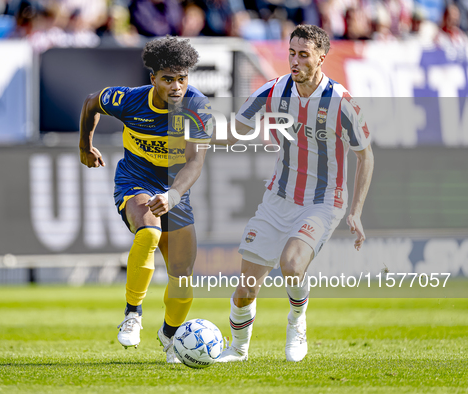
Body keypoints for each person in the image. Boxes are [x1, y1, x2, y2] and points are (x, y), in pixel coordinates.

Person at [215, 24, 374, 363]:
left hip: (322, 201)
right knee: (245, 290)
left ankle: (297, 322)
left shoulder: (340, 101)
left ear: (321, 58)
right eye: (291, 53)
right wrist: (198, 139)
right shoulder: (273, 90)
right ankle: (238, 350)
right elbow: (236, 131)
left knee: (291, 263)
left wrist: (356, 211)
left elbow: (365, 155)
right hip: (278, 198)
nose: (295, 61)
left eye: (304, 55)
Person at [79, 36, 211, 363]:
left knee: (182, 276)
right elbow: (91, 103)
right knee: (149, 231)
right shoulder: (128, 100)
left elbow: (195, 161)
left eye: (182, 78)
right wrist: (85, 146)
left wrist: (174, 194)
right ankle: (132, 313)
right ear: (153, 78)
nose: (177, 86)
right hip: (135, 181)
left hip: (174, 190)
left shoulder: (197, 107)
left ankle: (169, 337)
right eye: (168, 79)